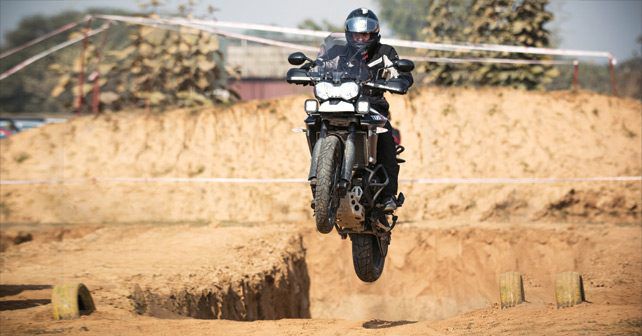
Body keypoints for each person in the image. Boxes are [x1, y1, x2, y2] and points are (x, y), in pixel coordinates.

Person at [344, 8, 414, 211]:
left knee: (386, 140)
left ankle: (388, 196)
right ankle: (323, 181)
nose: (361, 38)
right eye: (357, 34)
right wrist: (308, 70)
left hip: (373, 108)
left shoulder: (385, 53)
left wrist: (402, 80)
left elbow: (401, 73)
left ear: (374, 35)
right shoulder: (339, 53)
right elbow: (320, 64)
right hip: (341, 104)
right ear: (349, 33)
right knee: (313, 121)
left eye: (365, 34)